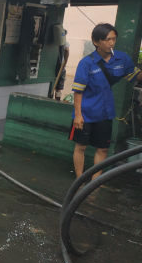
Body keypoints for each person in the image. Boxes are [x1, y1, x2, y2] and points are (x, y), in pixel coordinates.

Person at [70, 23, 142, 179]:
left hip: (105, 112)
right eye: (108, 39)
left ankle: (94, 184)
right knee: (81, 147)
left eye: (114, 39)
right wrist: (78, 115)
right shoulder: (86, 63)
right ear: (96, 42)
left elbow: (136, 76)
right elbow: (78, 91)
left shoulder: (121, 59)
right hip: (86, 113)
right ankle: (79, 180)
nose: (111, 43)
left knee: (102, 149)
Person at [54, 29, 70, 101]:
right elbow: (67, 51)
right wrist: (64, 64)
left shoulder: (55, 43)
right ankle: (57, 101)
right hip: (61, 67)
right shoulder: (65, 43)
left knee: (55, 87)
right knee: (58, 88)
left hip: (55, 67)